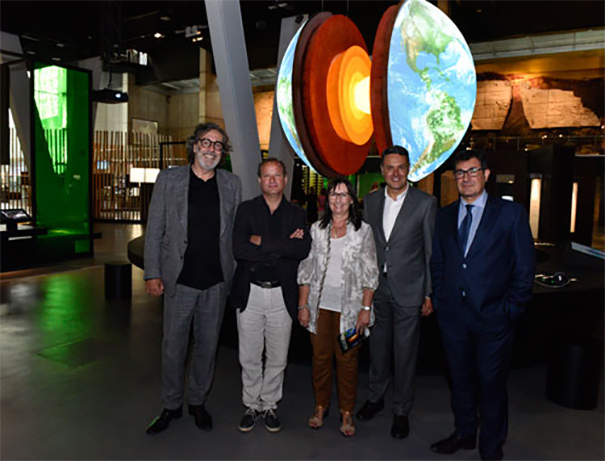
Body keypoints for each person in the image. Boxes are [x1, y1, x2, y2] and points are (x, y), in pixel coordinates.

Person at [430, 150, 535, 460]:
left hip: (494, 318)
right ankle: (464, 434)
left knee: (491, 386)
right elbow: (439, 262)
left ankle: (491, 446)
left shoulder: (510, 214)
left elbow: (524, 267)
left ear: (486, 175)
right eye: (460, 173)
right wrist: (441, 298)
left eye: (473, 171)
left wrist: (510, 309)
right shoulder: (444, 216)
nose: (466, 178)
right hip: (453, 317)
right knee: (460, 381)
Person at [144, 123, 242, 434]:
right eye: (206, 142)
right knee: (173, 347)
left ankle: (198, 401)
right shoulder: (169, 179)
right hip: (180, 281)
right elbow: (154, 229)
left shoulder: (231, 184)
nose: (212, 149)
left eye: (218, 145)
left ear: (222, 152)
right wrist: (152, 272)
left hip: (216, 282)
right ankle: (171, 404)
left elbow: (236, 230)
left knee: (207, 346)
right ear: (195, 145)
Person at [357, 145, 437, 439]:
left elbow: (430, 251)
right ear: (382, 171)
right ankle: (375, 397)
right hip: (377, 289)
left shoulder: (425, 203)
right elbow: (367, 247)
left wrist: (428, 293)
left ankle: (401, 409)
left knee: (404, 353)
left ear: (408, 170)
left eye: (401, 167)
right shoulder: (371, 201)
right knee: (377, 349)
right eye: (390, 167)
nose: (395, 173)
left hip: (410, 290)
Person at [231, 158, 311, 433]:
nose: (272, 180)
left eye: (277, 175)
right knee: (249, 355)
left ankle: (269, 405)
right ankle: (251, 404)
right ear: (259, 180)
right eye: (267, 176)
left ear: (285, 180)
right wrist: (283, 245)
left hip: (281, 294)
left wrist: (261, 241)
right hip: (250, 292)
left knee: (278, 356)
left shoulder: (297, 213)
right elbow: (239, 250)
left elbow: (302, 250)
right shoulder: (246, 210)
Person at [298, 177, 379, 437]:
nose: (338, 200)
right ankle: (320, 406)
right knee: (320, 359)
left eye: (344, 195)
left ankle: (346, 411)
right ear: (327, 199)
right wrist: (303, 305)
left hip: (351, 313)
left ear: (352, 200)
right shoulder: (316, 229)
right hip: (320, 309)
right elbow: (306, 269)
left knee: (348, 361)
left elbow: (370, 273)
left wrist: (365, 309)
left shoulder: (363, 231)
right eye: (334, 194)